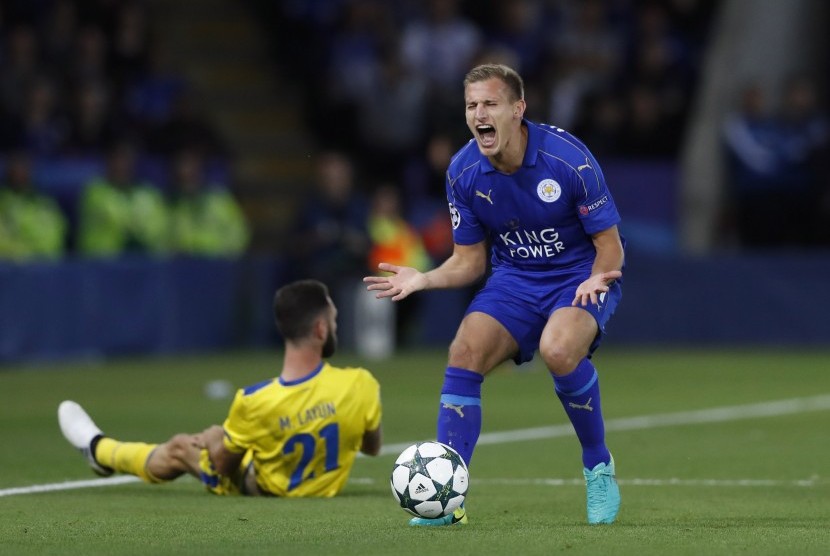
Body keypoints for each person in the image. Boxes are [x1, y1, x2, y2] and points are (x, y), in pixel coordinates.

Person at [364, 64, 624, 526]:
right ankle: (448, 498)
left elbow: (610, 247)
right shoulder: (464, 171)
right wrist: (423, 278)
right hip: (515, 280)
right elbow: (470, 261)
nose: (479, 114)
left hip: (579, 276)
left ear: (517, 109)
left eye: (489, 104)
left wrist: (595, 278)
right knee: (464, 350)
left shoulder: (569, 161)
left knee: (558, 350)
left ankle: (598, 467)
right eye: (471, 106)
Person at [58, 279, 383, 497]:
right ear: (321, 329)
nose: (336, 327)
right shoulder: (361, 384)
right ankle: (101, 452)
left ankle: (100, 451)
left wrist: (217, 439)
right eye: (335, 321)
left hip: (263, 489)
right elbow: (370, 447)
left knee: (182, 448)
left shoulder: (255, 400)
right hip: (323, 484)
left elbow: (225, 466)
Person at [77, 141, 170, 257]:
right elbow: (107, 227)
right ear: (108, 162)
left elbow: (158, 230)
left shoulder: (149, 194)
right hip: (105, 264)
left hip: (145, 263)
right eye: (117, 159)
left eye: (126, 159)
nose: (121, 165)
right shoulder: (95, 192)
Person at [0, 151, 67, 261]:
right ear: (8, 171)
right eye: (15, 168)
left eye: (23, 168)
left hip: (43, 265)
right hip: (8, 268)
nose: (20, 173)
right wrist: (24, 254)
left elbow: (57, 236)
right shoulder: (2, 202)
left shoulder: (45, 202)